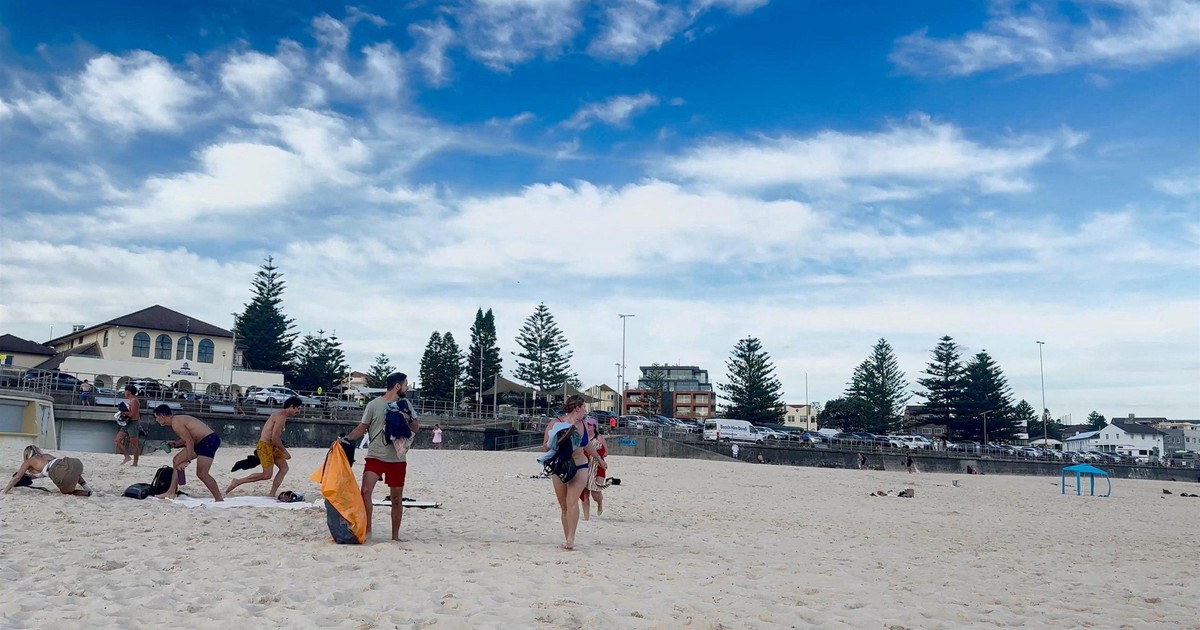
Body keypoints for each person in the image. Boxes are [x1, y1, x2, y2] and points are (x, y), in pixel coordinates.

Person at [344, 372, 420, 541]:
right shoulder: (373, 405)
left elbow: (416, 428)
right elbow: (362, 428)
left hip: (397, 459)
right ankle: (368, 530)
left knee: (396, 499)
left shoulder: (406, 404)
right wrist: (346, 439)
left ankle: (395, 536)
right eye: (405, 385)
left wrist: (407, 416)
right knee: (365, 492)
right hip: (375, 456)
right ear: (397, 386)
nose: (407, 388)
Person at [541, 395, 607, 550]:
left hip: (580, 465)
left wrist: (599, 459)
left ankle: (571, 538)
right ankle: (567, 537)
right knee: (564, 505)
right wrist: (558, 440)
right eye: (584, 407)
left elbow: (587, 445)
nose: (585, 410)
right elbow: (545, 446)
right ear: (577, 408)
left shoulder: (583, 424)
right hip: (560, 466)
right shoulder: (556, 423)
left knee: (572, 501)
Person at [224, 396, 301, 497]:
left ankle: (272, 494)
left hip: (273, 446)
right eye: (298, 408)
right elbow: (275, 437)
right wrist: (284, 451)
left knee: (284, 468)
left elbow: (275, 438)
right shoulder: (280, 416)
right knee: (267, 475)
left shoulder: (282, 415)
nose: (299, 411)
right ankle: (237, 482)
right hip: (265, 446)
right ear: (291, 406)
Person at [152, 405, 223, 501]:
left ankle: (219, 499)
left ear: (162, 415)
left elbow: (189, 441)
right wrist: (174, 444)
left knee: (202, 474)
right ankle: (171, 492)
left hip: (209, 441)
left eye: (156, 417)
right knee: (177, 460)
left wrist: (188, 461)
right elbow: (189, 438)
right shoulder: (176, 421)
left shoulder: (176, 423)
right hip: (200, 441)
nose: (156, 420)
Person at [3, 445, 92, 496]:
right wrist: (30, 477)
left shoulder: (28, 461)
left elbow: (17, 477)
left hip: (58, 471)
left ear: (26, 455)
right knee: (72, 471)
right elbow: (52, 469)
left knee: (66, 492)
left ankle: (87, 493)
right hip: (74, 463)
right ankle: (88, 488)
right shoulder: (45, 456)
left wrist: (5, 491)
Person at [579, 418, 607, 520]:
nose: (588, 426)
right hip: (584, 466)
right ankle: (586, 517)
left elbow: (606, 453)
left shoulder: (599, 437)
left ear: (594, 426)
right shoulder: (582, 436)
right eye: (586, 424)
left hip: (597, 466)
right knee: (584, 493)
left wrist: (595, 454)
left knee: (595, 491)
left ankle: (599, 503)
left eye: (590, 425)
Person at [115, 384, 141, 466]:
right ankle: (127, 456)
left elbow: (132, 414)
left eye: (125, 391)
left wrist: (123, 411)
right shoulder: (131, 400)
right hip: (127, 423)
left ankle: (135, 462)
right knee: (117, 440)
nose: (124, 392)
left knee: (134, 444)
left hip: (133, 423)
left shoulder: (134, 401)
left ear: (129, 392)